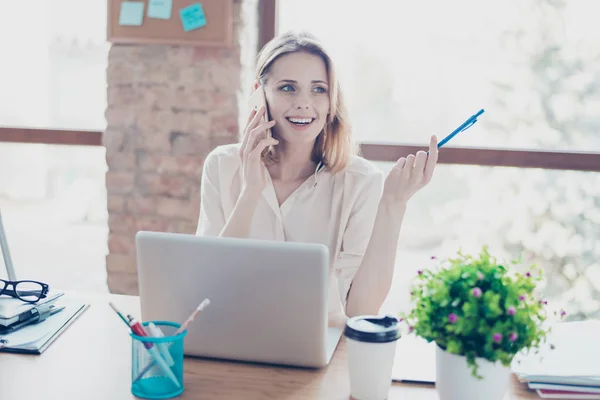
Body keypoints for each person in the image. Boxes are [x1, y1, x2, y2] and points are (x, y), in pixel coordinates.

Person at [196, 31, 439, 318]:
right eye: (287, 88)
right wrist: (250, 191)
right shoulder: (222, 166)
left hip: (321, 353)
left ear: (331, 102)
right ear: (259, 96)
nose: (303, 103)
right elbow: (208, 290)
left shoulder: (360, 182)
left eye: (318, 89)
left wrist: (393, 204)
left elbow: (361, 310)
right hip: (232, 335)